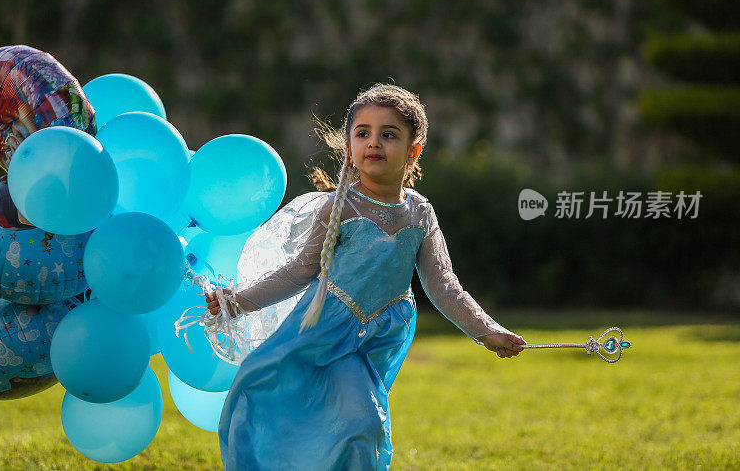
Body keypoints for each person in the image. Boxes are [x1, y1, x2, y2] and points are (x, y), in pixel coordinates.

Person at [205, 84, 526, 470]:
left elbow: (443, 284)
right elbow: (299, 272)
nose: (374, 143)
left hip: (375, 339)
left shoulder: (420, 213)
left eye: (388, 134)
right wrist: (237, 302)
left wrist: (486, 330)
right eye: (363, 133)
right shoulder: (340, 208)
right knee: (314, 407)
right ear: (350, 145)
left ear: (413, 150)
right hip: (324, 330)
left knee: (359, 420)